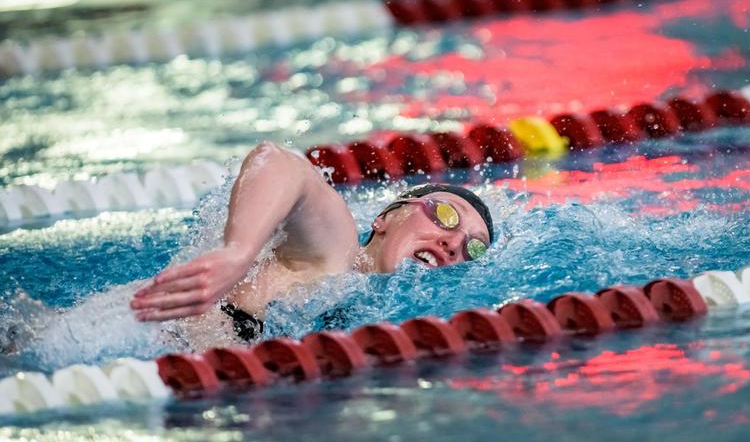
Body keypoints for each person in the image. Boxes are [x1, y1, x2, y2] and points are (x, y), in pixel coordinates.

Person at [130, 141, 494, 341]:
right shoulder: (338, 251)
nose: (453, 242)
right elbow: (279, 161)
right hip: (144, 328)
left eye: (472, 247)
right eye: (446, 216)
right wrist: (238, 252)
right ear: (384, 218)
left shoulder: (376, 305)